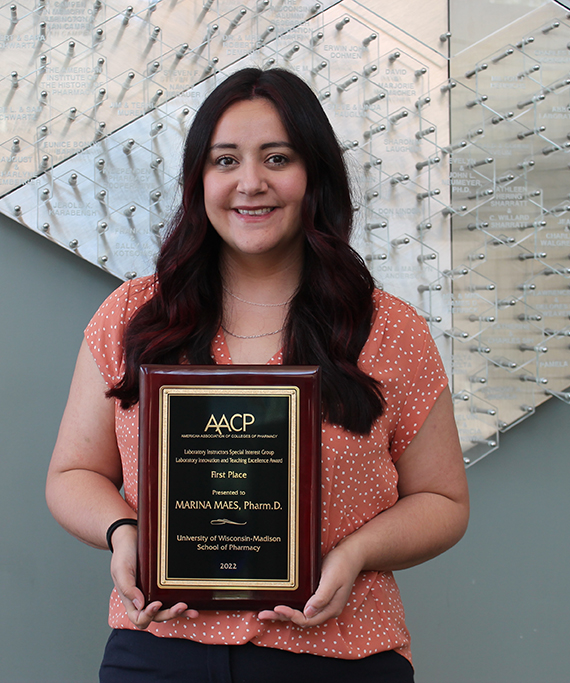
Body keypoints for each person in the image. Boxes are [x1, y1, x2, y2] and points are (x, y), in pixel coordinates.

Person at [46, 67, 469, 682]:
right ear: (199, 180)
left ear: (314, 175)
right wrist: (123, 533)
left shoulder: (388, 329)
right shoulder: (133, 317)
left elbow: (444, 499)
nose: (251, 183)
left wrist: (354, 555)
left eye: (277, 158)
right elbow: (72, 473)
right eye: (225, 161)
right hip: (160, 651)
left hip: (340, 655)